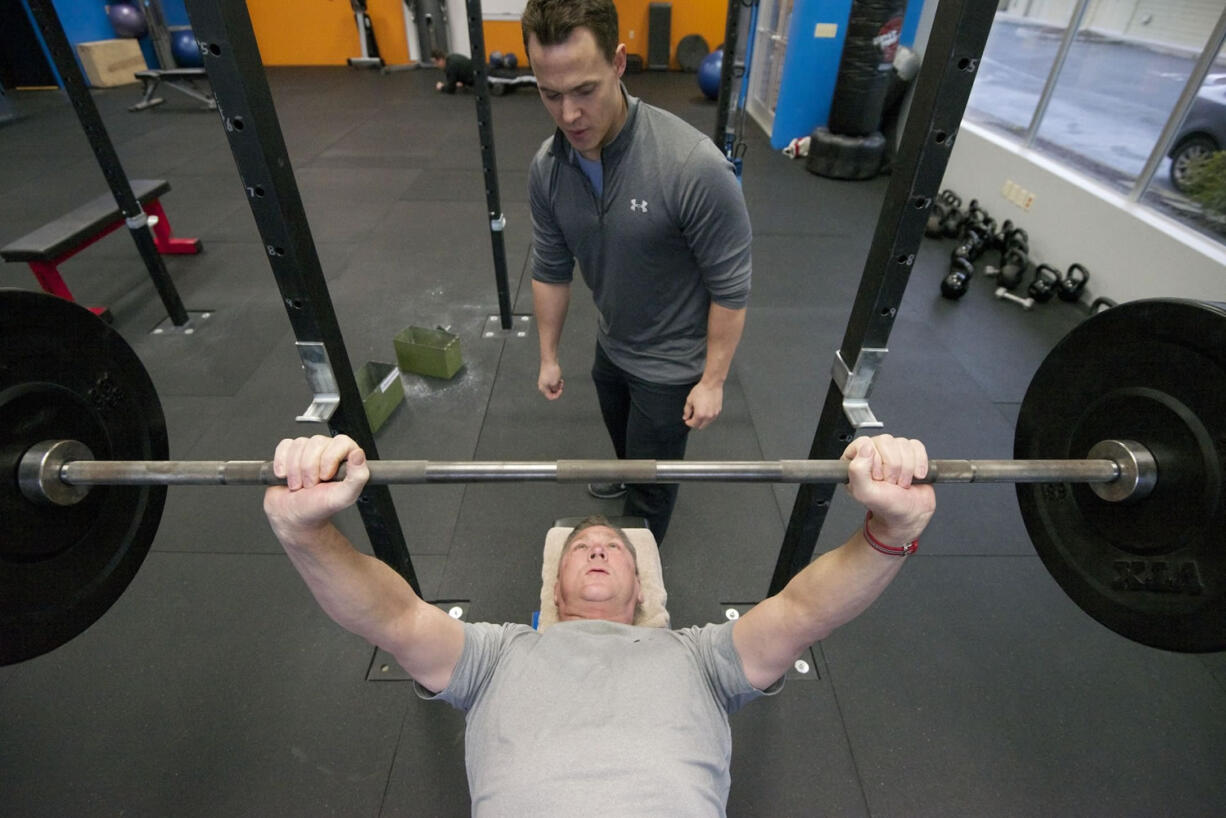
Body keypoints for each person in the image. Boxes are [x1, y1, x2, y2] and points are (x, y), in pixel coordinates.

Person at [264, 433, 934, 814]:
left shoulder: (698, 656)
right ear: (554, 586)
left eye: (613, 546)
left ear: (639, 583)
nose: (596, 548)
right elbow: (397, 616)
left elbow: (800, 612)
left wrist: (889, 531)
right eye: (582, 546)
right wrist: (306, 533)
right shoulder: (495, 653)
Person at [522, 0, 753, 543]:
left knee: (653, 484)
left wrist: (713, 380)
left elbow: (731, 286)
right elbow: (551, 268)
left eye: (584, 90)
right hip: (612, 343)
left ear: (619, 63)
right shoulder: (548, 168)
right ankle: (629, 477)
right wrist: (549, 355)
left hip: (671, 365)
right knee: (626, 446)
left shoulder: (692, 167)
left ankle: (642, 556)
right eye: (550, 94)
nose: (569, 114)